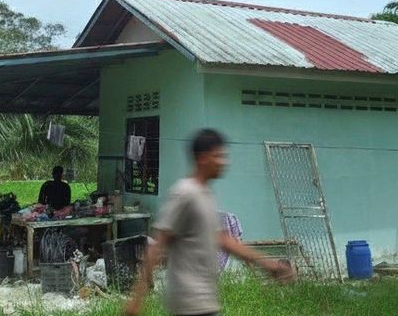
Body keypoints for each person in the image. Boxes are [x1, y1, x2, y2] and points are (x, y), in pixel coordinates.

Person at [124, 128, 294, 316]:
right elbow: (157, 246)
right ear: (203, 158)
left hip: (205, 300)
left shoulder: (205, 194)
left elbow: (224, 241)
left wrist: (269, 265)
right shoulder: (184, 193)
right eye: (219, 156)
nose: (224, 162)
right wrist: (136, 300)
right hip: (189, 301)